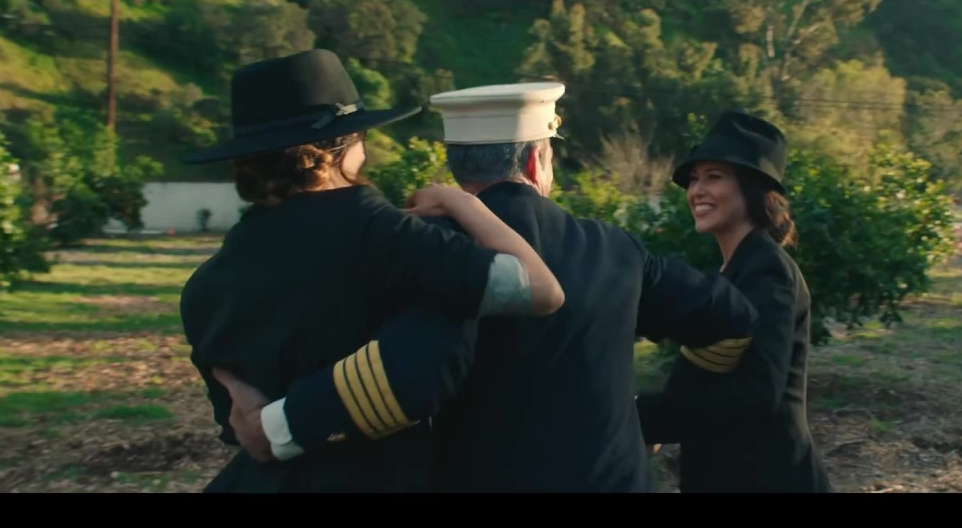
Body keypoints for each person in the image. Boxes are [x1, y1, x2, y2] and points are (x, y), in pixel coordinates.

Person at [214, 82, 762, 493]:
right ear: (537, 159)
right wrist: (649, 415)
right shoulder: (615, 248)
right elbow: (731, 322)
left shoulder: (433, 250)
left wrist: (277, 425)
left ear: (456, 164)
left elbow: (399, 377)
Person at [179, 50, 564, 493]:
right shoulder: (379, 232)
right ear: (343, 148)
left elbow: (236, 426)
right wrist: (461, 203)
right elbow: (540, 290)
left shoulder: (204, 285)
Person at [635, 111, 834, 492]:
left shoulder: (767, 271)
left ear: (752, 189)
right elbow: (707, 372)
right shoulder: (733, 269)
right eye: (694, 179)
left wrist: (641, 414)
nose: (697, 190)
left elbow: (755, 395)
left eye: (714, 177)